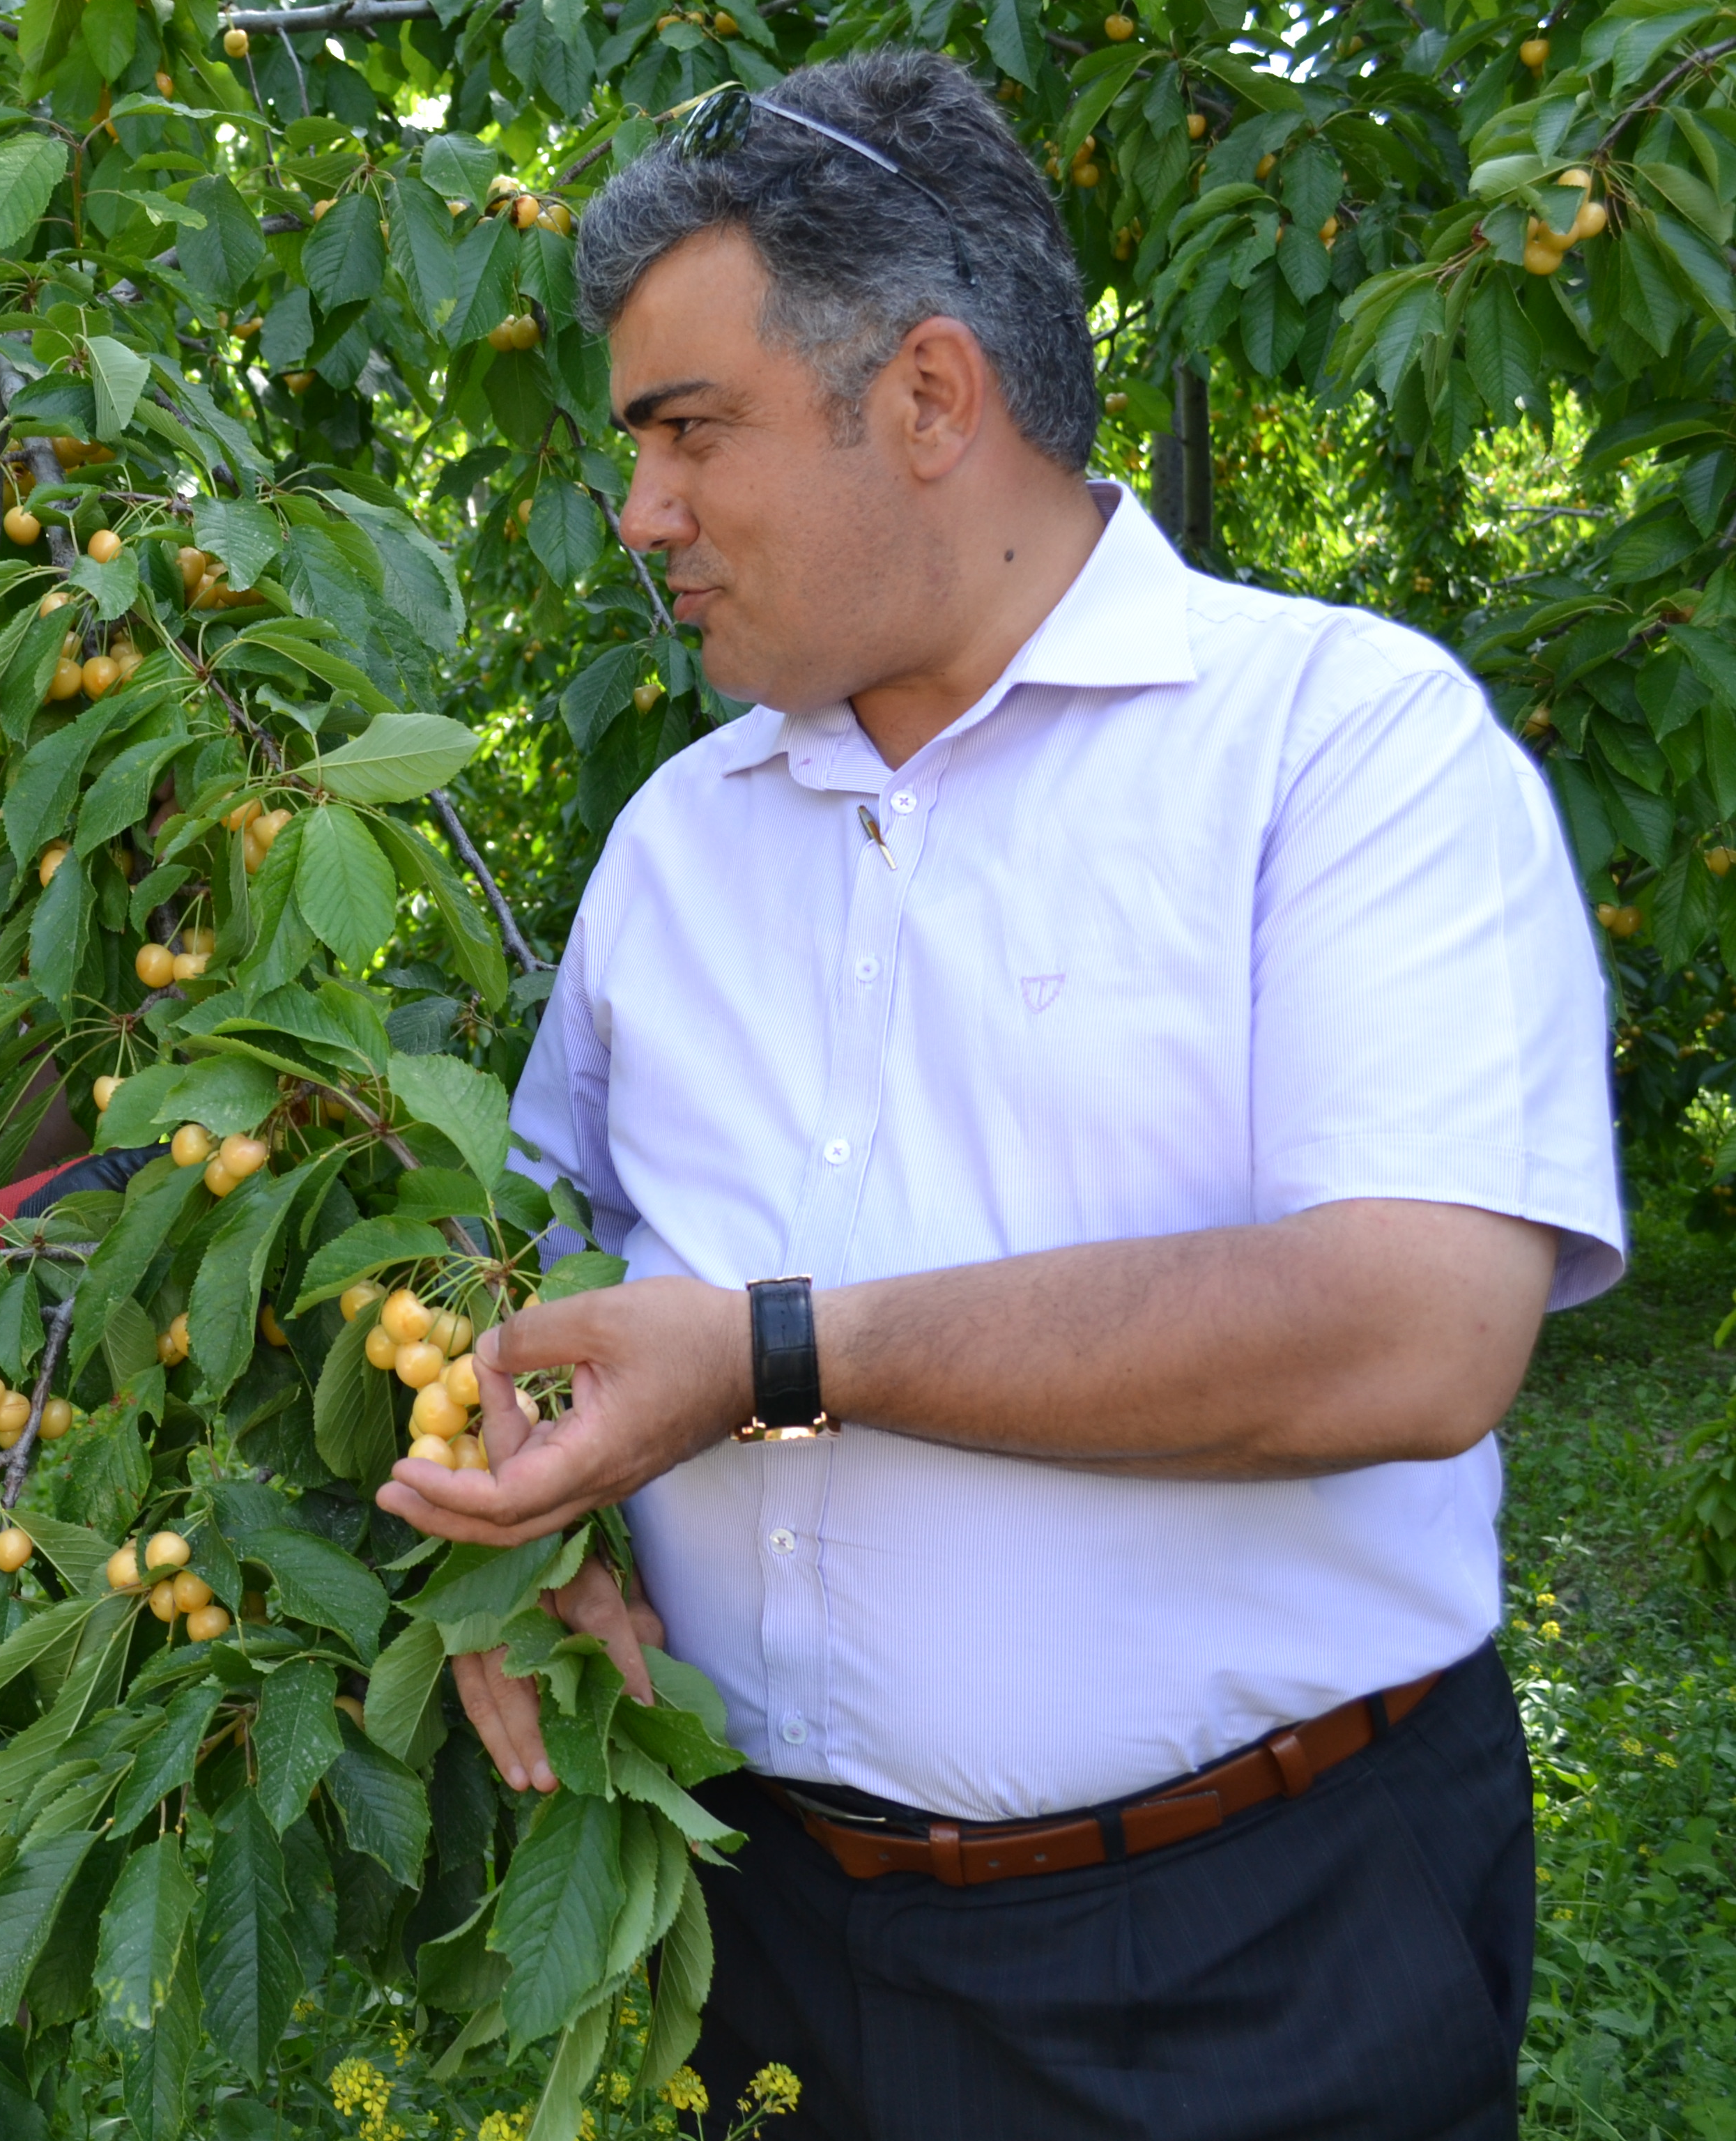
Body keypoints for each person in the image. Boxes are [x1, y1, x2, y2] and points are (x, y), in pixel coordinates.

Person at [381, 51, 1621, 2141]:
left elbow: (1417, 1332)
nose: (642, 514)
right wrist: (532, 1539)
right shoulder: (679, 842)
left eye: (691, 435)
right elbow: (532, 1264)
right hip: (759, 1933)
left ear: (933, 398)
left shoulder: (1341, 749)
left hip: (1255, 1954)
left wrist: (778, 1357)